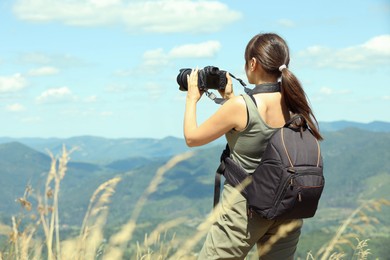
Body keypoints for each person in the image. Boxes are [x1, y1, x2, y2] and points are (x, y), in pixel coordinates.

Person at [183, 33, 322, 259]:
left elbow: (192, 138)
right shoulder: (295, 102)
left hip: (244, 210)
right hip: (288, 207)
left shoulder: (241, 106)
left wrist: (191, 99)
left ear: (253, 63)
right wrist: (230, 99)